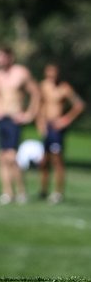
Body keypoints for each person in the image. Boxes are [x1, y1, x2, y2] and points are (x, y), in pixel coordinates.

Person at [0, 46, 40, 204]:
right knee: (1, 157)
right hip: (1, 118)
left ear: (10, 57)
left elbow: (35, 92)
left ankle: (21, 191)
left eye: (1, 56)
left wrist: (29, 114)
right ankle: (7, 192)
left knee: (12, 156)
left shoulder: (21, 72)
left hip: (14, 118)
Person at [36, 63, 85, 204]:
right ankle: (43, 190)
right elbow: (40, 105)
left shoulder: (64, 88)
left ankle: (58, 192)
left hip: (57, 128)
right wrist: (40, 123)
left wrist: (66, 119)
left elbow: (79, 105)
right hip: (47, 126)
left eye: (54, 73)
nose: (52, 76)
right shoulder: (43, 85)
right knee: (44, 161)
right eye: (49, 73)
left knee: (57, 160)